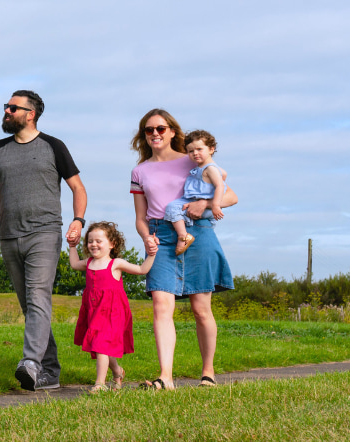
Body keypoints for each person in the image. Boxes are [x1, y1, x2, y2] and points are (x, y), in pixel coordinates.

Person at [0, 90, 88, 391]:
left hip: (45, 233)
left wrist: (78, 220)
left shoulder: (53, 146)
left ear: (30, 113)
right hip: (9, 236)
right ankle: (49, 373)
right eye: (6, 107)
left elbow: (78, 188)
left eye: (13, 107)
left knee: (38, 298)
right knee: (31, 306)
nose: (7, 111)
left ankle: (30, 362)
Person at [130, 109, 239, 390]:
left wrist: (205, 204)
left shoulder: (192, 160)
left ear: (172, 131)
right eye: (148, 130)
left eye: (160, 128)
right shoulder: (140, 171)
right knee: (160, 305)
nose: (155, 133)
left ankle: (208, 372)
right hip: (161, 238)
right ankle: (165, 377)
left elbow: (231, 195)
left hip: (199, 234)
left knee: (201, 309)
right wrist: (146, 237)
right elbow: (140, 218)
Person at [69, 221, 158, 393]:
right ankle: (117, 372)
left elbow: (141, 269)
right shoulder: (88, 263)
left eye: (98, 241)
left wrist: (151, 254)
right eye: (90, 241)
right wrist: (72, 246)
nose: (93, 244)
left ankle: (100, 384)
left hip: (112, 313)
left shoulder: (115, 264)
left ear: (112, 244)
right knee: (101, 346)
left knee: (101, 345)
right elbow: (74, 264)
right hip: (93, 311)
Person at [164, 130, 228, 255]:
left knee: (172, 208)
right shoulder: (206, 167)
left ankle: (183, 237)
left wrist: (215, 205)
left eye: (199, 149)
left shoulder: (210, 168)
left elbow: (220, 185)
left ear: (211, 149)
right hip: (193, 202)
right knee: (176, 208)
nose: (195, 153)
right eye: (191, 151)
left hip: (202, 205)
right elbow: (224, 174)